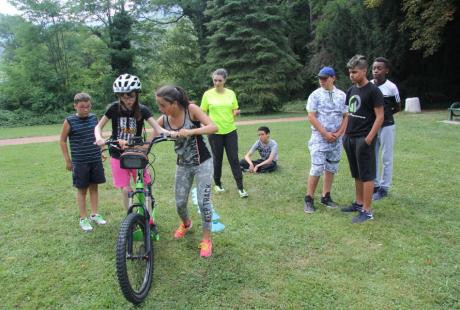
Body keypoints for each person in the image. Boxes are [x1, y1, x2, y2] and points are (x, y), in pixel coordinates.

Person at [155, 85, 218, 258]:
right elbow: (151, 135)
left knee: (204, 202)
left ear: (174, 103)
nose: (160, 109)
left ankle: (206, 239)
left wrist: (190, 131)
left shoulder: (191, 110)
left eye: (162, 105)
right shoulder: (164, 119)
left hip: (202, 162)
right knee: (180, 203)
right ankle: (186, 224)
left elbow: (214, 127)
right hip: (182, 165)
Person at [94, 74, 167, 219]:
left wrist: (169, 133)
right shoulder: (113, 109)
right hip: (117, 154)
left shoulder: (142, 109)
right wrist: (99, 138)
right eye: (123, 97)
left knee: (145, 186)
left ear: (137, 95)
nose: (127, 100)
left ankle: (149, 218)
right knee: (126, 189)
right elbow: (98, 126)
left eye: (131, 96)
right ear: (119, 96)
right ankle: (130, 217)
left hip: (136, 153)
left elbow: (158, 128)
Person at [341, 55, 384, 223]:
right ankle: (359, 204)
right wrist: (344, 133)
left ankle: (367, 211)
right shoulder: (351, 90)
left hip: (364, 138)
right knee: (357, 173)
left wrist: (369, 139)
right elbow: (347, 114)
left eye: (354, 72)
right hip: (350, 137)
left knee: (367, 174)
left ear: (364, 71)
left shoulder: (373, 90)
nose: (351, 75)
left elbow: (380, 117)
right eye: (350, 72)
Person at [60, 93, 107, 232]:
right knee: (82, 190)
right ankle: (83, 218)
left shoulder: (94, 118)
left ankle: (94, 214)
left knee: (94, 187)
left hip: (95, 159)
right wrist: (68, 160)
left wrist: (102, 150)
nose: (85, 109)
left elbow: (99, 135)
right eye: (82, 107)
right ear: (75, 106)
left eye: (88, 106)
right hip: (80, 162)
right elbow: (62, 140)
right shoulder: (69, 121)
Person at [304, 67, 348, 213]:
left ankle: (326, 196)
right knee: (317, 167)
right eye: (320, 78)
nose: (322, 81)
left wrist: (339, 133)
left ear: (333, 78)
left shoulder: (342, 95)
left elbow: (346, 115)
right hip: (319, 138)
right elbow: (311, 116)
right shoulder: (315, 95)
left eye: (325, 78)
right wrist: (324, 133)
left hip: (336, 139)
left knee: (331, 168)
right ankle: (309, 199)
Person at [200, 68, 248, 198]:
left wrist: (236, 112)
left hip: (230, 130)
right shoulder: (207, 94)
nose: (217, 83)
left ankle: (241, 187)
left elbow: (235, 109)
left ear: (225, 80)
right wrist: (207, 125)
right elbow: (202, 112)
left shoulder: (231, 93)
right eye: (215, 80)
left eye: (219, 80)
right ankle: (218, 184)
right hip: (214, 132)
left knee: (234, 159)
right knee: (218, 159)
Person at [371, 57, 401, 201]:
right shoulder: (369, 85)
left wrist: (384, 117)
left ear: (386, 70)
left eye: (379, 68)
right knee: (373, 155)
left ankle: (384, 188)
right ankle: (375, 185)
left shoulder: (391, 87)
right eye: (374, 68)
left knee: (386, 157)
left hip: (387, 125)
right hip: (372, 126)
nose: (376, 70)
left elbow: (398, 107)